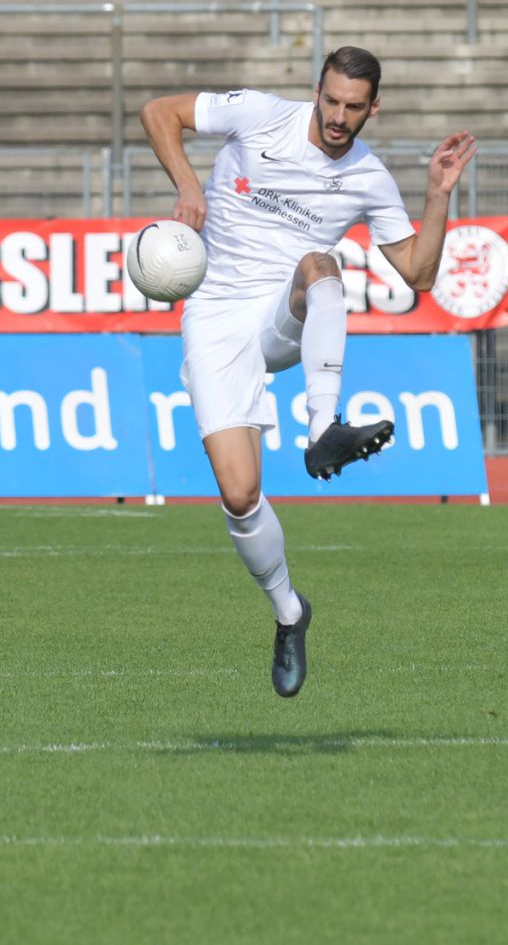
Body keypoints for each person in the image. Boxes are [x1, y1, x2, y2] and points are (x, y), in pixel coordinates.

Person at [140, 46, 476, 696]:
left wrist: (437, 195)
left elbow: (418, 273)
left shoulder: (369, 176)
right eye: (331, 101)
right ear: (315, 91)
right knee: (239, 497)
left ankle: (325, 427)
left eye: (354, 107)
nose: (338, 117)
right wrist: (187, 185)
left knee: (322, 264)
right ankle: (290, 612)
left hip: (285, 310)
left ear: (373, 108)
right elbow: (160, 112)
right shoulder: (260, 114)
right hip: (214, 314)